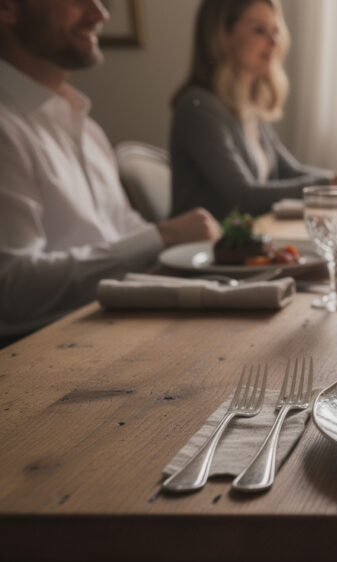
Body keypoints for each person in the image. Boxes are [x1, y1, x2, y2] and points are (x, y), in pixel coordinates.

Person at [0, 0, 221, 346]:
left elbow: (122, 230)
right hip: (39, 351)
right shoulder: (6, 129)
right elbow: (10, 289)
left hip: (111, 329)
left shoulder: (85, 127)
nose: (99, 14)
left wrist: (181, 242)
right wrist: (161, 237)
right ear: (8, 9)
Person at [170, 0, 337, 220]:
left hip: (247, 242)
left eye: (275, 30)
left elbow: (288, 171)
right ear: (221, 36)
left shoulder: (248, 105)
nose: (274, 42)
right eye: (259, 30)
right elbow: (243, 197)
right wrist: (331, 184)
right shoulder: (198, 107)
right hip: (207, 250)